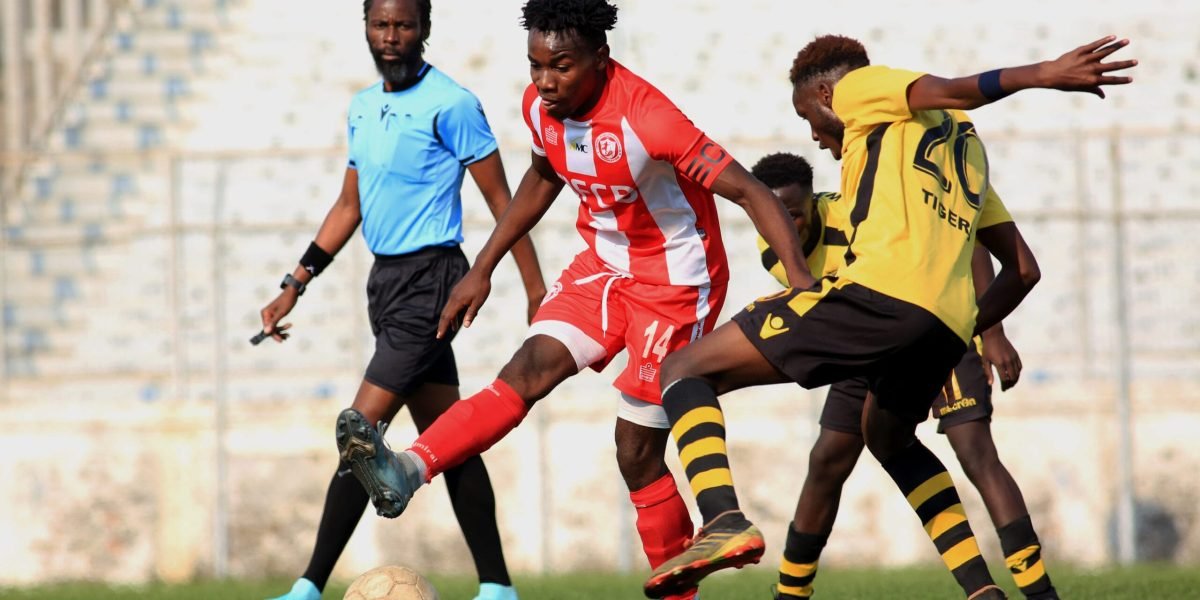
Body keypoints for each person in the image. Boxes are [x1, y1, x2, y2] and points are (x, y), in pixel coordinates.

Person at [331, 1, 810, 598]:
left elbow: (749, 189)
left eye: (561, 66)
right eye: (536, 66)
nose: (546, 81)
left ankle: (684, 586)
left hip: (677, 284)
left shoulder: (650, 119)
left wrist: (800, 281)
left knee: (635, 451)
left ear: (600, 60)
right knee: (525, 370)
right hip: (602, 267)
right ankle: (406, 469)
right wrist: (483, 267)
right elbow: (542, 175)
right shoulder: (541, 107)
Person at [644, 34, 1135, 599]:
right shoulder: (964, 150)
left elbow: (955, 90)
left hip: (879, 295)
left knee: (684, 369)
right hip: (942, 330)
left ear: (827, 93)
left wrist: (1042, 72)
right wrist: (960, 330)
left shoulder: (859, 88)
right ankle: (989, 591)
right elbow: (1022, 269)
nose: (814, 133)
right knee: (888, 439)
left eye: (809, 115)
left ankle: (723, 519)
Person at [260, 1, 546, 599]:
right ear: (366, 27)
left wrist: (533, 286)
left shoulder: (453, 103)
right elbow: (349, 207)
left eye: (404, 25)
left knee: (359, 432)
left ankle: (308, 587)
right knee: (450, 438)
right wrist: (295, 283)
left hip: (433, 280)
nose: (392, 37)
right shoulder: (363, 107)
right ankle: (497, 587)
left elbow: (504, 202)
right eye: (380, 24)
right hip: (385, 284)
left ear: (425, 30)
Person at [748, 153, 1057, 600]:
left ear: (815, 202)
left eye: (793, 212)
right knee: (828, 460)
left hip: (936, 333)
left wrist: (992, 332)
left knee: (974, 452)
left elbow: (963, 244)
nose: (784, 224)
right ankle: (791, 593)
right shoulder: (771, 250)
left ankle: (1039, 592)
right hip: (868, 346)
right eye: (772, 214)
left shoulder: (862, 213)